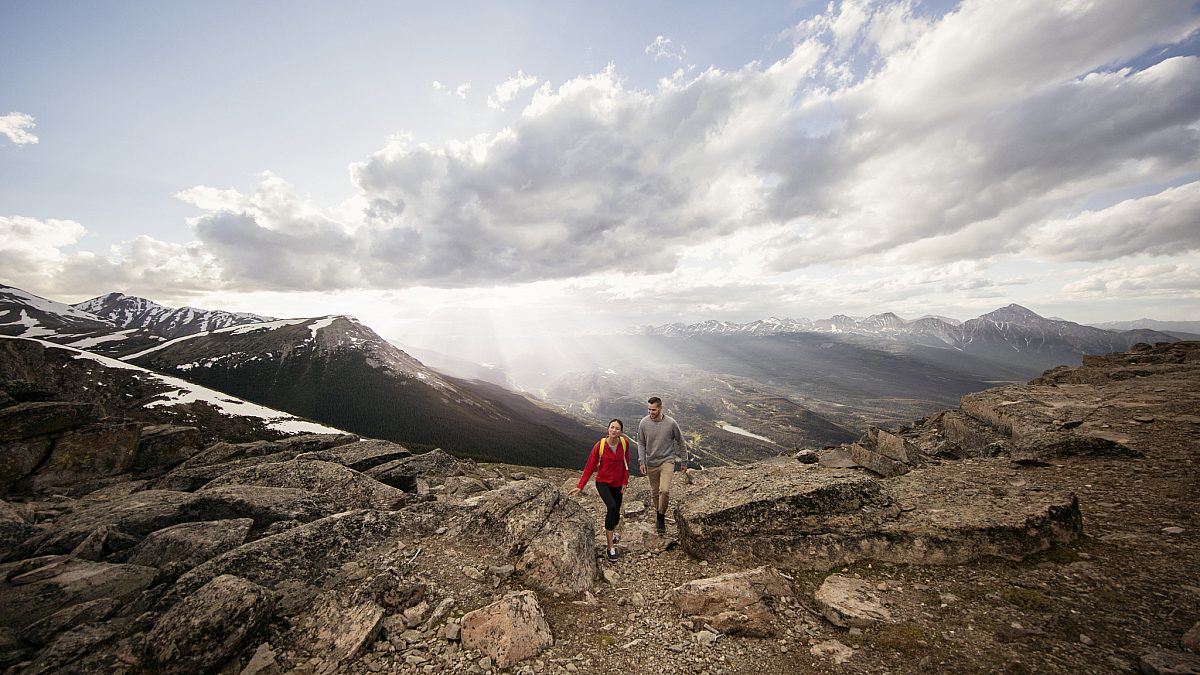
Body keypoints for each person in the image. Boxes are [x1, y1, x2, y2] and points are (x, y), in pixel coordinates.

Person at [569, 418, 631, 562]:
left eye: (617, 428)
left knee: (616, 514)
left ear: (621, 431)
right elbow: (590, 467)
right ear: (608, 429)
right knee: (612, 507)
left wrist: (625, 482)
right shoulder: (600, 446)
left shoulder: (624, 443)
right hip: (602, 482)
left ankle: (613, 532)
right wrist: (580, 486)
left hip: (617, 483)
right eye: (612, 427)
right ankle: (610, 547)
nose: (614, 430)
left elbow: (626, 463)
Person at [638, 396, 688, 535]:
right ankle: (658, 511)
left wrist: (684, 461)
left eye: (653, 409)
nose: (650, 412)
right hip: (651, 462)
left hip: (667, 460)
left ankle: (660, 516)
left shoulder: (671, 423)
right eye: (649, 409)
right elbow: (641, 443)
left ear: (660, 408)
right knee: (655, 492)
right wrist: (642, 461)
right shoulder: (644, 423)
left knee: (664, 490)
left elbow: (681, 442)